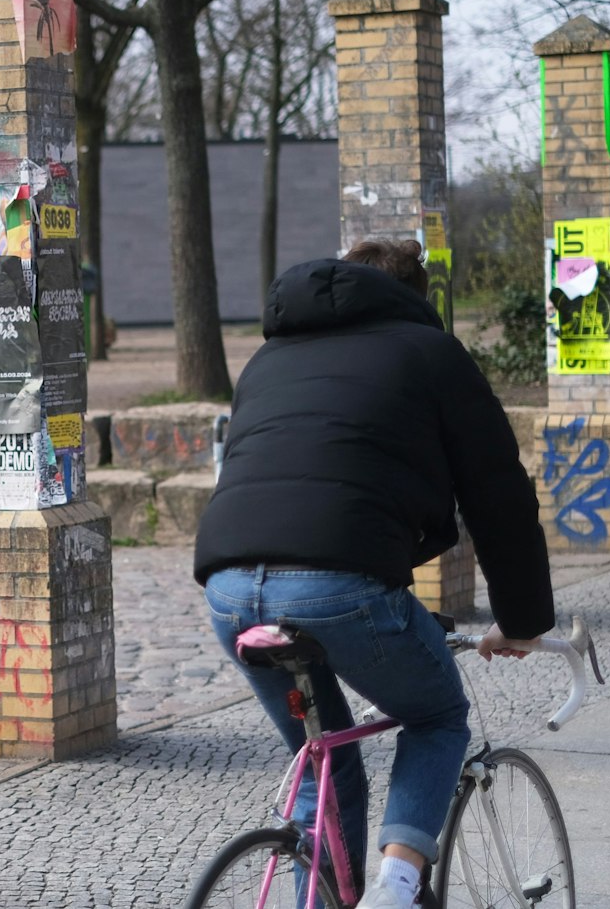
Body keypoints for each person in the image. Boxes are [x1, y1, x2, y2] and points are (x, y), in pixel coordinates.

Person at [194, 239, 554, 909]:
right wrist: (524, 619)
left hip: (230, 586)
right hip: (340, 585)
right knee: (439, 714)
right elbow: (498, 492)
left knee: (320, 759)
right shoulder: (431, 354)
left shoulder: (268, 358)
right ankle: (394, 886)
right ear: (416, 295)